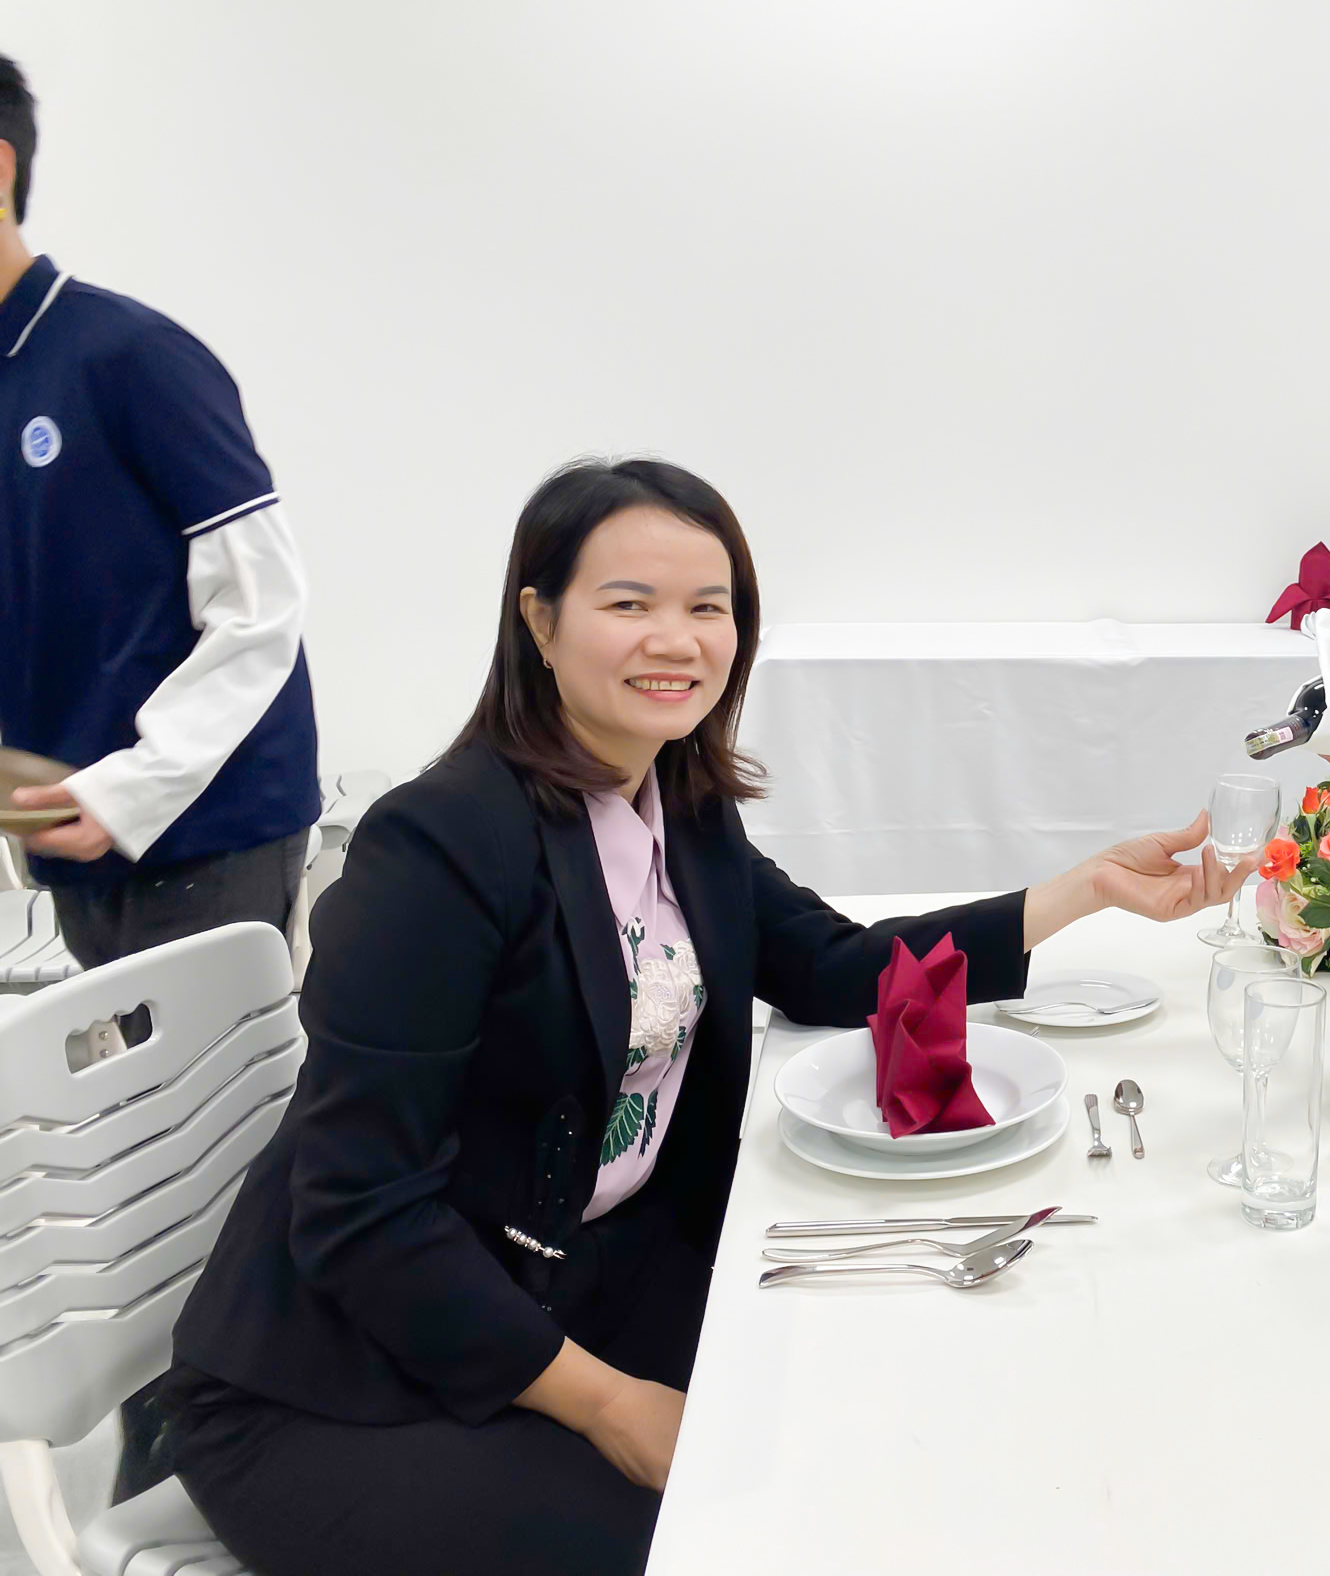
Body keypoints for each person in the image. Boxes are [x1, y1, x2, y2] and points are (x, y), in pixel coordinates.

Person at [164, 458, 1248, 1576]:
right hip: (347, 1378)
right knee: (729, 1538)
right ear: (539, 621)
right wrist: (609, 1405)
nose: (676, 640)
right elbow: (362, 1213)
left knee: (882, 1414)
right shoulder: (438, 847)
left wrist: (1081, 891)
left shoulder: (678, 807)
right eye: (629, 603)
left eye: (708, 608)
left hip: (572, 1289)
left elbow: (834, 967)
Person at [0, 52, 320, 1500]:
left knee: (205, 1154)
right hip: (72, 838)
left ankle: (229, 1448)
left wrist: (126, 790)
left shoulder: (129, 357)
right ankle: (172, 1427)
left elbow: (261, 608)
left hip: (207, 824)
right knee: (125, 1146)